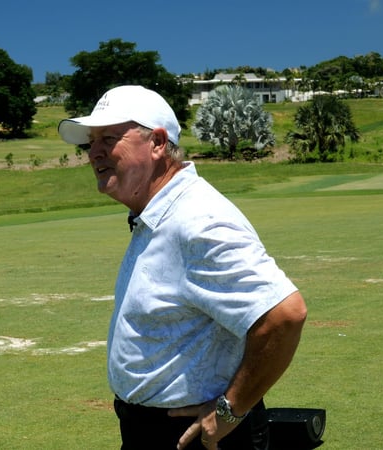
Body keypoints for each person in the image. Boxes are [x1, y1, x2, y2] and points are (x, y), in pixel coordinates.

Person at [58, 85, 307, 450]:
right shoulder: (155, 213)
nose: (94, 152)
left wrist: (229, 411)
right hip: (152, 429)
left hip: (195, 438)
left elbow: (285, 315)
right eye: (90, 142)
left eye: (109, 137)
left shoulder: (197, 220)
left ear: (157, 143)